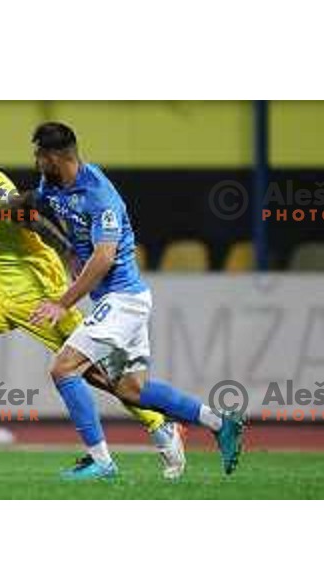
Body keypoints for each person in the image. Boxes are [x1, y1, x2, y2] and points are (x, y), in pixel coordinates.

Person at [0, 122, 186, 479]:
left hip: (38, 291)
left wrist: (68, 252)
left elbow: (32, 218)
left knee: (98, 373)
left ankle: (161, 425)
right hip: (1, 293)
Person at [27, 122, 245, 480]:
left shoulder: (100, 195)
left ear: (52, 156)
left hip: (123, 299)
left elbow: (104, 257)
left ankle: (100, 461)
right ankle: (219, 423)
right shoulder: (52, 185)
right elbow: (33, 203)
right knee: (132, 389)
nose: (35, 161)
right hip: (122, 300)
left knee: (63, 368)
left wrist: (63, 302)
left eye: (38, 154)